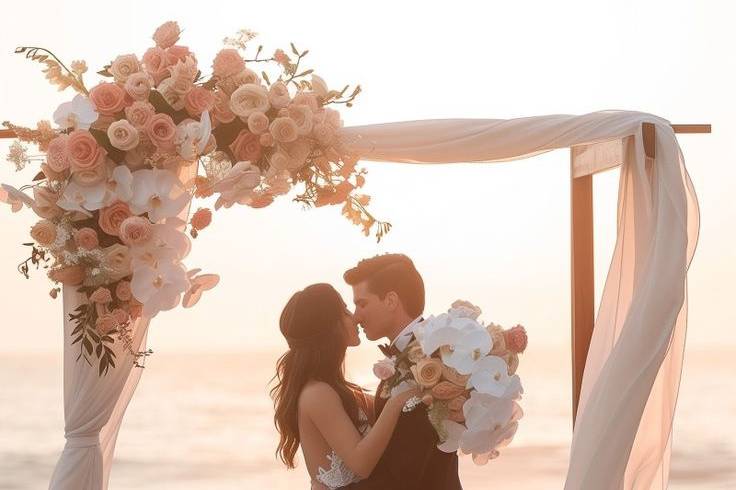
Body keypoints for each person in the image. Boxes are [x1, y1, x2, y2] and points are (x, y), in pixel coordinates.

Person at [270, 283, 419, 489]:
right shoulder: (316, 394)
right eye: (344, 311)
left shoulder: (339, 391)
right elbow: (361, 464)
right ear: (328, 326)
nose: (354, 317)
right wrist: (398, 400)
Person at [341, 253, 462, 490]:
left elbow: (405, 474)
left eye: (362, 303)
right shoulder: (427, 353)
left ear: (391, 301)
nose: (356, 316)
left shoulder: (431, 363)